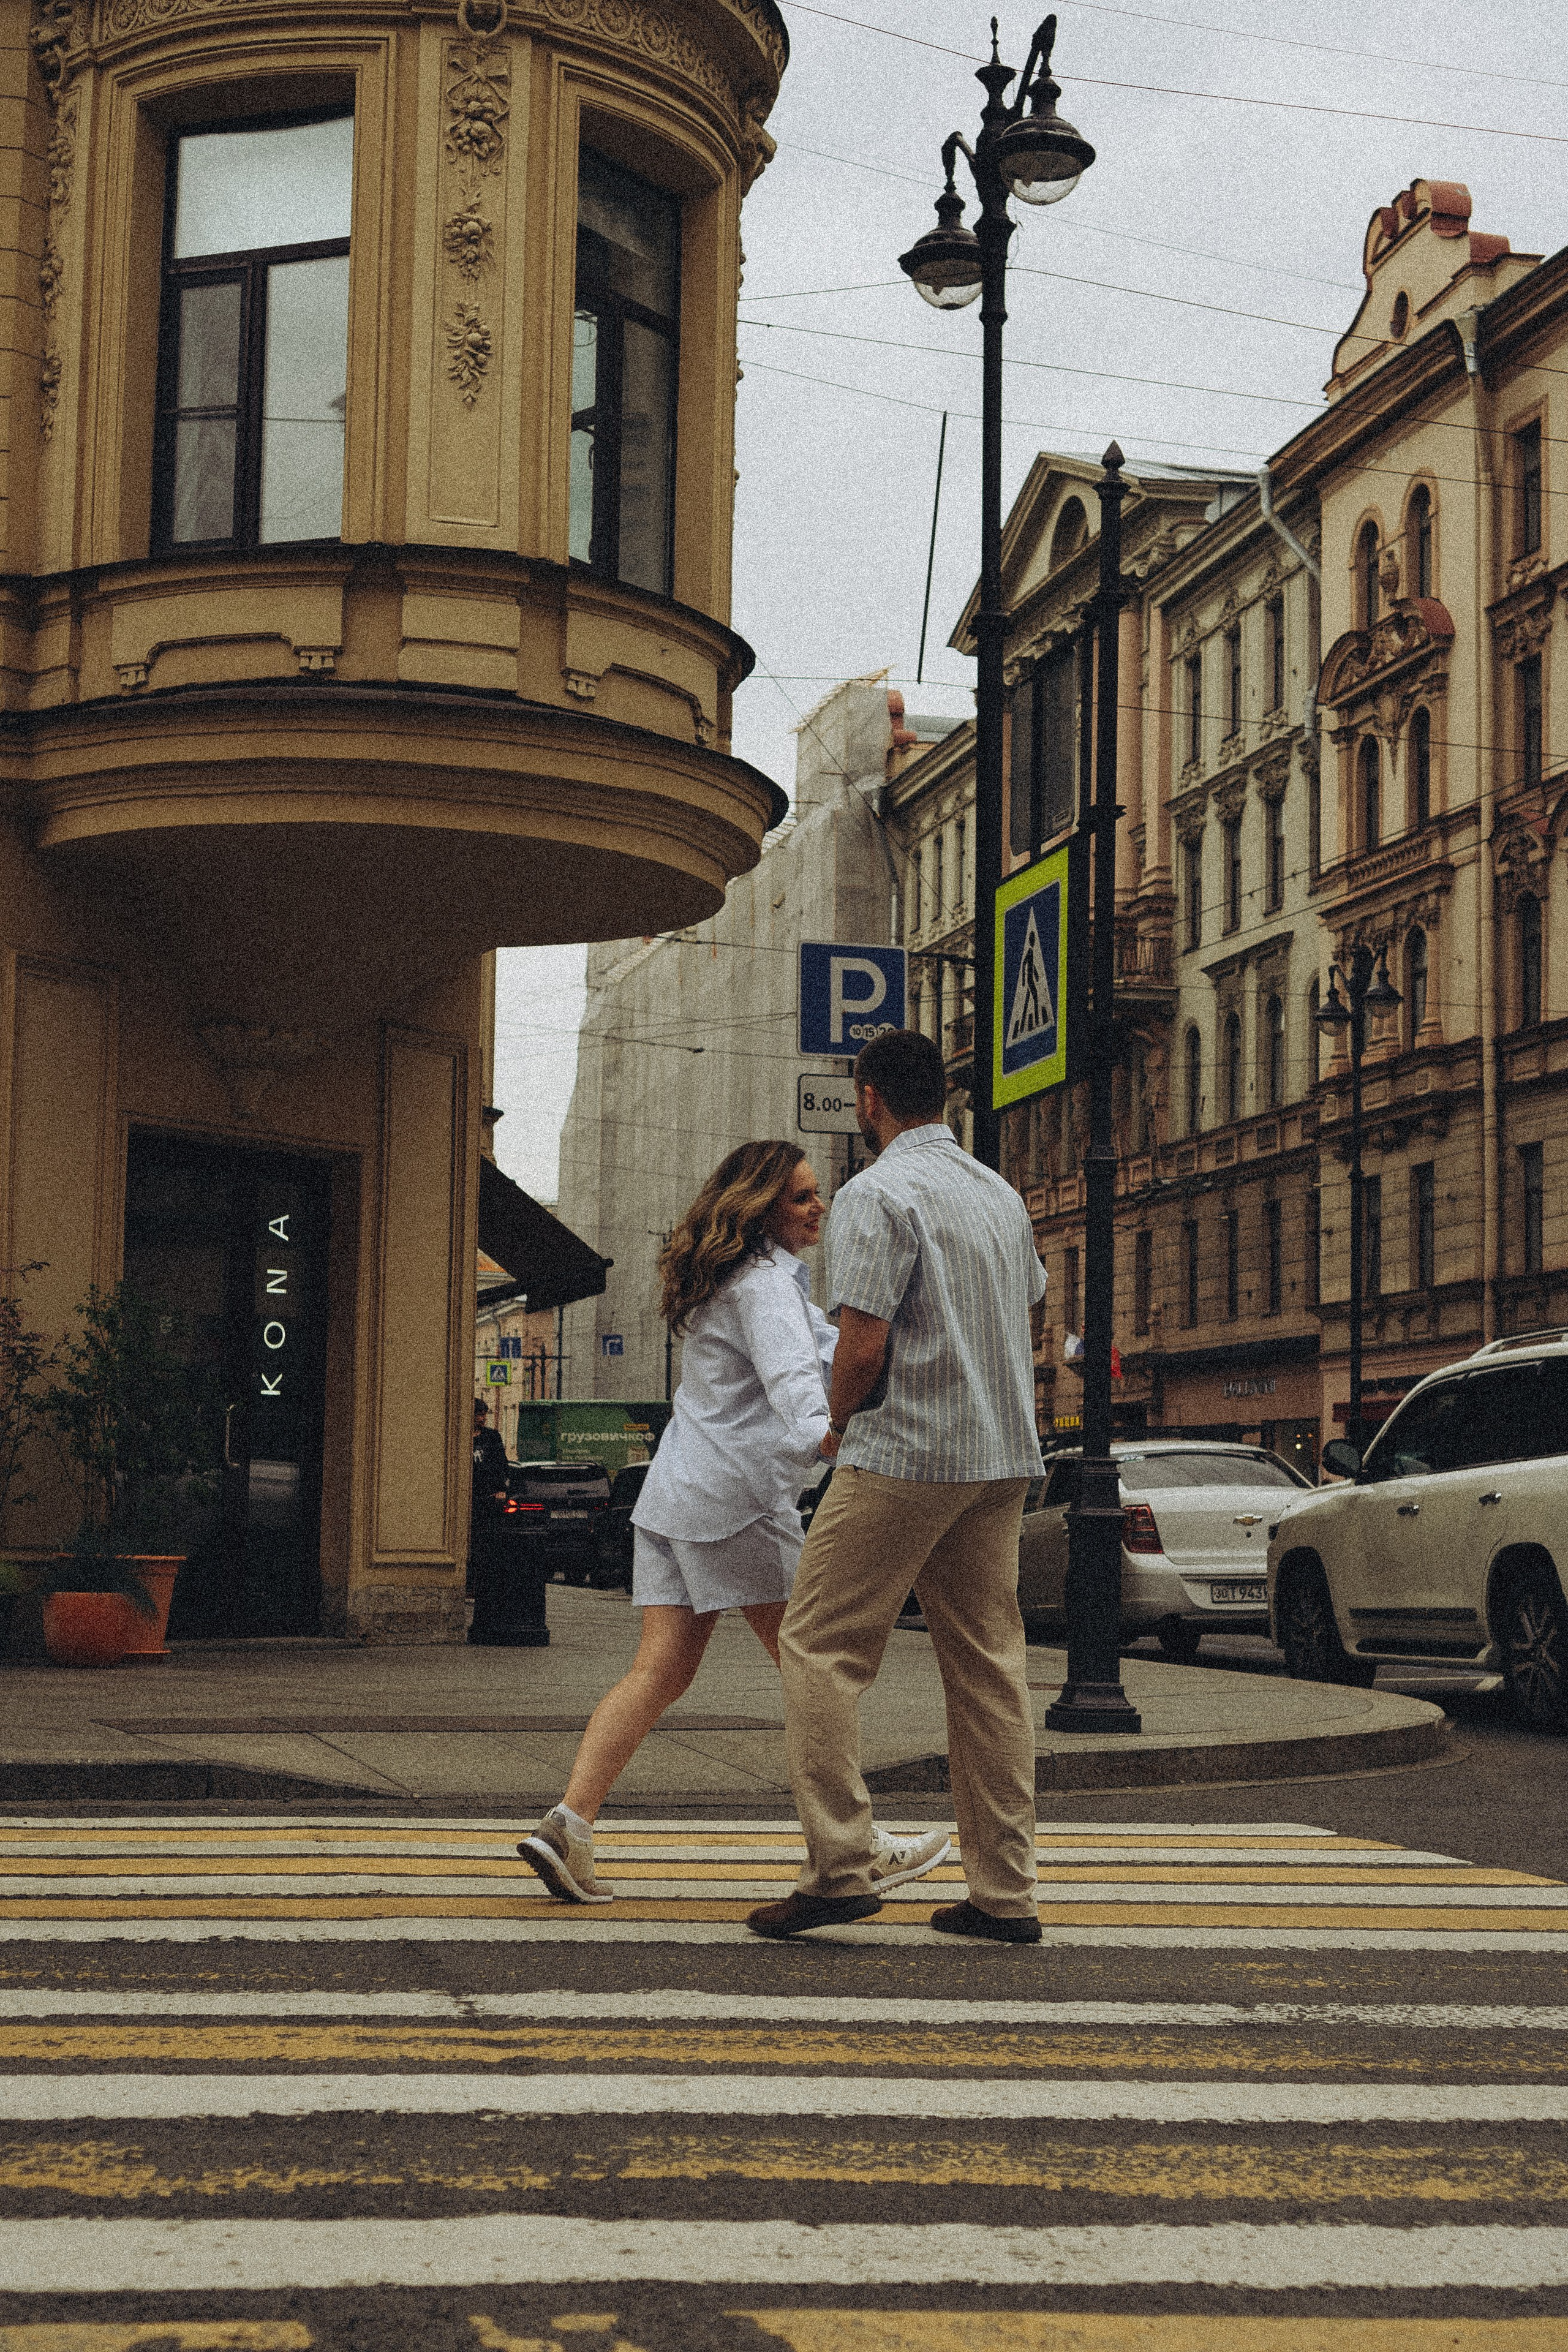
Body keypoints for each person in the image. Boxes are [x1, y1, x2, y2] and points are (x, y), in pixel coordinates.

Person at [516, 1139, 951, 1904]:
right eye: (801, 1198)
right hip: (738, 1501)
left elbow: (821, 1351)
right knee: (814, 1670)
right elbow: (796, 1387)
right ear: (760, 1210)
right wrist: (835, 1437)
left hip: (675, 1496)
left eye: (818, 1194)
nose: (819, 1206)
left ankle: (567, 1825)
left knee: (660, 1672)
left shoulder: (743, 1282)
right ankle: (858, 1847)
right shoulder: (763, 1289)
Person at [748, 1029, 1047, 1944]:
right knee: (990, 1668)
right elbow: (1028, 1307)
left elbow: (864, 1341)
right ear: (946, 1096)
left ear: (869, 1098)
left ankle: (838, 1868)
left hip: (910, 1448)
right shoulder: (999, 1193)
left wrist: (837, 1423)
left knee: (820, 1645)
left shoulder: (878, 1194)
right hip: (1001, 1456)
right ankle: (1004, 1895)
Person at [465, 1395, 516, 1645]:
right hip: (465, 1501)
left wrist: (501, 1489)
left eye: (484, 1414)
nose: (482, 1418)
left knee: (484, 1544)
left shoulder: (491, 1438)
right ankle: (467, 1583)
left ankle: (479, 1585)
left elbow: (502, 1467)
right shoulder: (459, 1436)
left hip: (488, 1500)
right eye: (478, 1414)